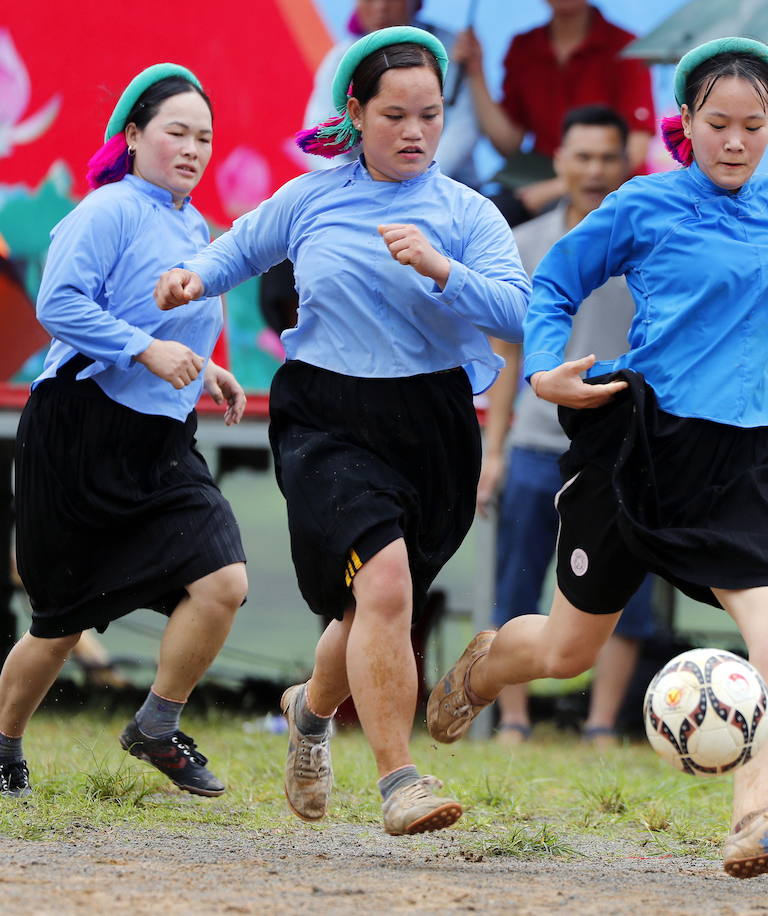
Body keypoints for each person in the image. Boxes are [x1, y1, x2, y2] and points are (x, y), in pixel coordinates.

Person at [426, 37, 768, 877]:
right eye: (718, 124)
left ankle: (754, 817)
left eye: (752, 126)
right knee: (567, 652)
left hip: (743, 459)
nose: (734, 141)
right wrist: (545, 368)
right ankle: (484, 668)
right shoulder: (643, 203)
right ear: (686, 122)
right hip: (640, 447)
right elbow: (555, 282)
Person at [156, 28, 529, 835]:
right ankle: (400, 781)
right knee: (385, 588)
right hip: (327, 417)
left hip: (433, 423)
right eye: (395, 115)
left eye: (430, 115)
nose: (415, 132)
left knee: (371, 610)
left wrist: (443, 269)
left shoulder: (467, 213)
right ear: (355, 113)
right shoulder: (313, 197)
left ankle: (309, 710)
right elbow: (238, 249)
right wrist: (193, 277)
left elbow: (519, 313)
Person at [0, 64, 249, 799]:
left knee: (224, 582)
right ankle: (3, 747)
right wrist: (145, 351)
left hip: (160, 443)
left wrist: (206, 369)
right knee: (59, 625)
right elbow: (58, 304)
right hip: (78, 432)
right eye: (177, 132)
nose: (193, 149)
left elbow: (157, 324)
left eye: (204, 137)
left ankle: (156, 725)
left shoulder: (196, 227)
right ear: (134, 136)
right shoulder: (106, 209)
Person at [479, 104, 658, 748]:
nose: (594, 169)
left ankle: (601, 725)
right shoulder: (525, 243)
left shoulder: (653, 246)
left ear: (628, 164)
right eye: (582, 156)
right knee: (518, 583)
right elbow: (507, 356)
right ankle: (513, 721)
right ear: (558, 161)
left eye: (608, 157)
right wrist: (493, 451)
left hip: (626, 448)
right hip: (535, 442)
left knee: (627, 593)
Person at [454, 0, 655, 223]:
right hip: (543, 183)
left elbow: (636, 149)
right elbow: (508, 143)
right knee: (481, 219)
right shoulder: (524, 47)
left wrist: (558, 187)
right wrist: (476, 73)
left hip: (612, 188)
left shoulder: (626, 47)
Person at [303, 0, 482, 187]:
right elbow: (319, 134)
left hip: (444, 185)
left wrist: (418, 178)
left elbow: (463, 128)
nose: (381, 7)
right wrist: (350, 185)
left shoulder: (452, 50)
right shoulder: (342, 59)